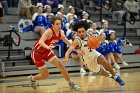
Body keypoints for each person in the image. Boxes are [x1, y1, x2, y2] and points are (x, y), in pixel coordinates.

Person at [63, 20, 125, 86]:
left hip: (94, 54)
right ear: (77, 33)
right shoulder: (77, 40)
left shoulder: (90, 35)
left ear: (86, 30)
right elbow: (69, 50)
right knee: (102, 72)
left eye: (83, 31)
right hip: (87, 59)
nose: (81, 33)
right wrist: (66, 57)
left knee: (103, 60)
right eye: (79, 32)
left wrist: (98, 37)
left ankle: (116, 77)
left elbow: (102, 40)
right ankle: (111, 76)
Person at [28, 16, 80, 90]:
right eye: (57, 24)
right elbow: (40, 41)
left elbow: (69, 44)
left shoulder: (61, 33)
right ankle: (32, 78)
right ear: (53, 25)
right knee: (45, 75)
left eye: (60, 24)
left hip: (47, 51)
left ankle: (70, 83)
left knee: (61, 65)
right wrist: (47, 47)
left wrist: (78, 50)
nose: (59, 25)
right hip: (37, 53)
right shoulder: (49, 31)